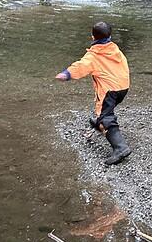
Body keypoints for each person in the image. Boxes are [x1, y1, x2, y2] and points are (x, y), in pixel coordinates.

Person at [55, 21, 131, 165]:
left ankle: (120, 147)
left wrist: (67, 74)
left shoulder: (94, 56)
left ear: (92, 37)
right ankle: (99, 122)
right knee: (105, 111)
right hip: (124, 87)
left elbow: (81, 66)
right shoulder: (115, 49)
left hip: (110, 90)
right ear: (110, 35)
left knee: (106, 116)